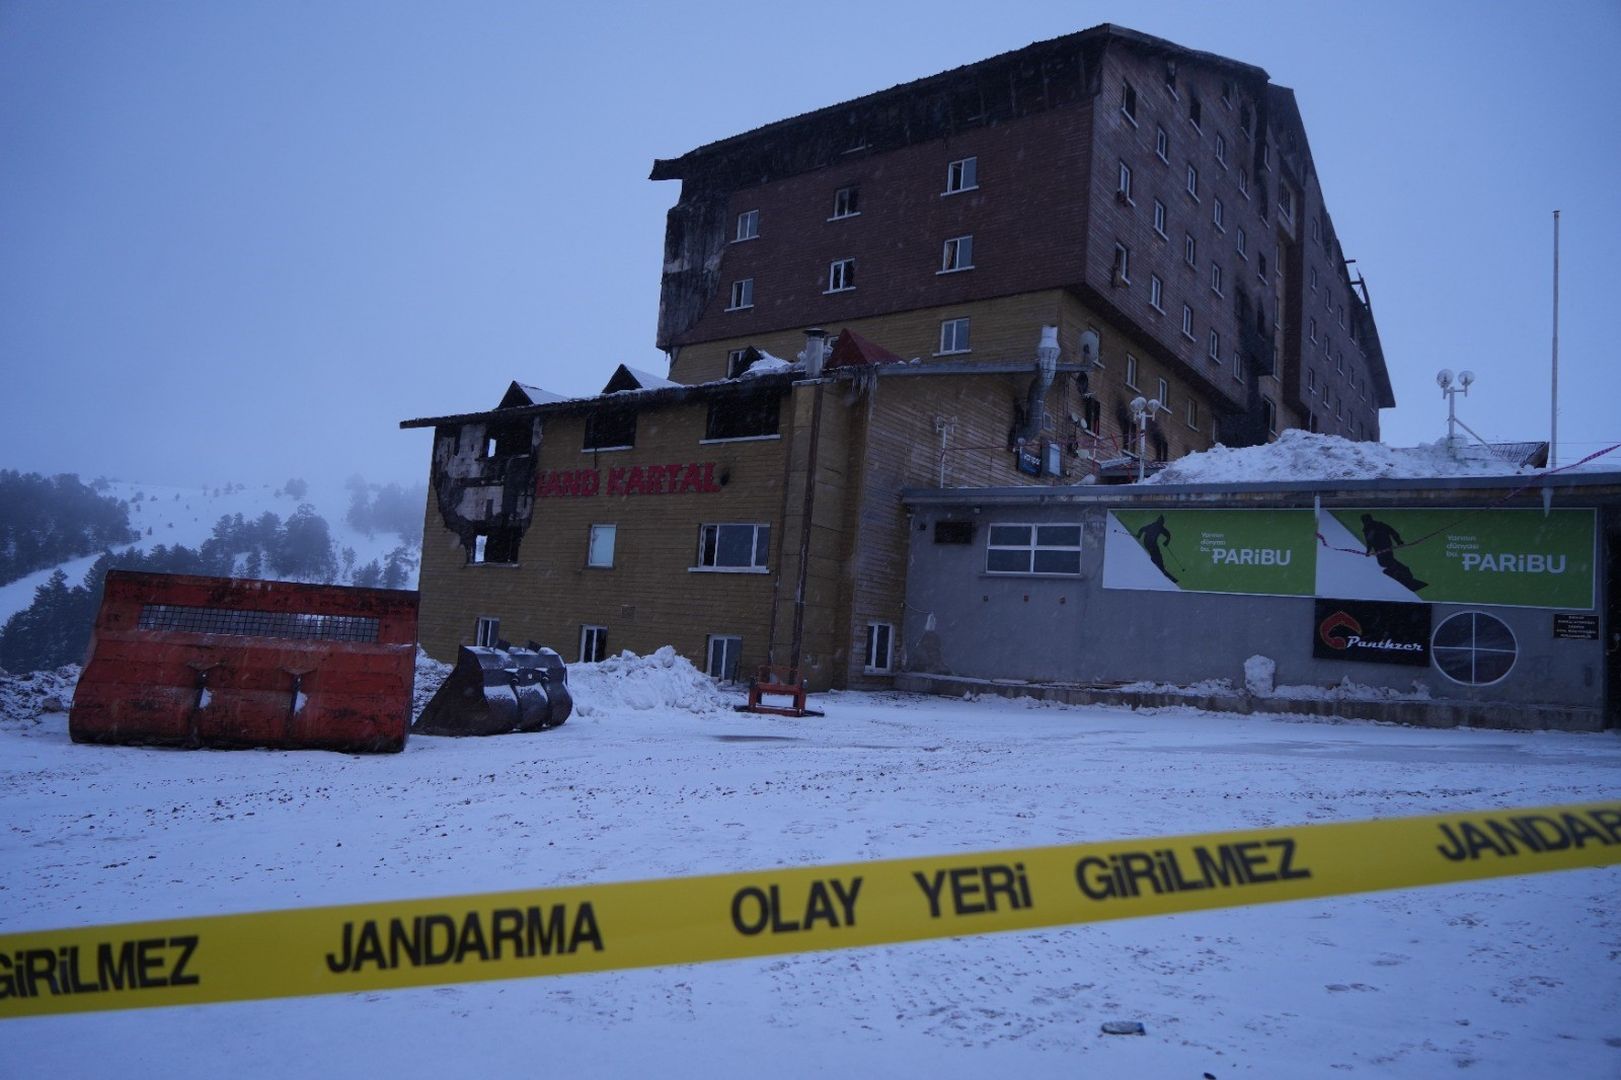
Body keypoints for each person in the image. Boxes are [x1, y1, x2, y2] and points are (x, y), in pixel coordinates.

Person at [1360, 513, 1428, 591]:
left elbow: (1393, 532)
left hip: (1385, 548)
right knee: (1385, 563)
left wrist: (1399, 542)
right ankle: (1401, 574)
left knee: (1387, 563)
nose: (1366, 523)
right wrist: (1368, 551)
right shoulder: (1367, 529)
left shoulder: (1379, 526)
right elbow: (1369, 541)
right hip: (1380, 549)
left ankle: (1402, 574)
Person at [1133, 514, 1178, 583]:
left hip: (1149, 544)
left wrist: (1139, 535)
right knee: (1157, 556)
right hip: (1151, 544)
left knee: (1156, 556)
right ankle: (1161, 569)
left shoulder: (1154, 526)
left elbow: (1142, 529)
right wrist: (1166, 541)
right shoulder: (1159, 527)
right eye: (1162, 522)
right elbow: (1168, 534)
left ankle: (1159, 566)